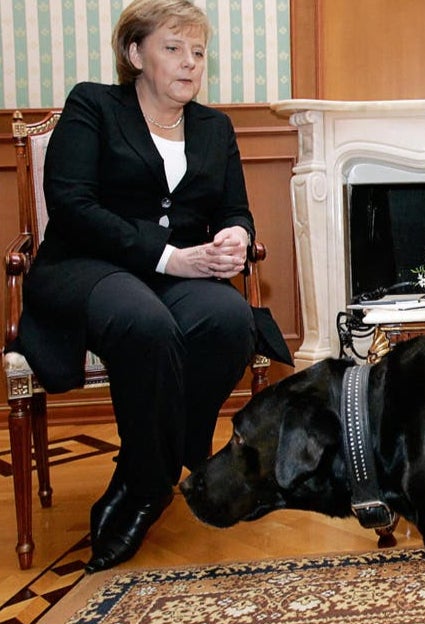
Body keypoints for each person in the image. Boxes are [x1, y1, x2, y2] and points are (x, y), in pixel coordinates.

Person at [15, 0, 288, 573]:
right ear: (135, 54)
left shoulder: (214, 127)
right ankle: (150, 486)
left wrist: (236, 237)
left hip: (177, 271)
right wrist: (168, 257)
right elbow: (71, 204)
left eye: (198, 53)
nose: (189, 64)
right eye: (173, 48)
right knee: (144, 322)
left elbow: (235, 209)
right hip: (89, 266)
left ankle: (145, 474)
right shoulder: (93, 104)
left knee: (230, 321)